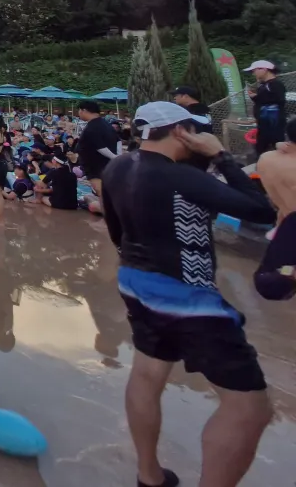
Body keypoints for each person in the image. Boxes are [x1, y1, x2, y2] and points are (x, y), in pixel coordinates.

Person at [102, 102, 277, 487]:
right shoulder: (180, 177)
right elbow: (261, 209)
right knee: (248, 407)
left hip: (135, 283)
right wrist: (221, 154)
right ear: (180, 131)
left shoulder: (117, 166)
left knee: (147, 373)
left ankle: (149, 476)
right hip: (188, 301)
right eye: (194, 132)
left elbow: (116, 232)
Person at [75, 100, 120, 203]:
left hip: (96, 167)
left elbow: (99, 146)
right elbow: (118, 141)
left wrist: (114, 157)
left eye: (79, 110)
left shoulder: (92, 127)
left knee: (102, 193)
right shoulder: (106, 124)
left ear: (84, 110)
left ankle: (109, 216)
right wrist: (117, 156)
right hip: (105, 165)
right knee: (105, 192)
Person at [246, 59, 285, 157]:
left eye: (254, 70)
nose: (253, 73)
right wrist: (256, 98)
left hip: (274, 126)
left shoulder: (275, 84)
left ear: (264, 69)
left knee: (277, 152)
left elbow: (279, 100)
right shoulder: (264, 86)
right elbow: (264, 102)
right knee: (261, 152)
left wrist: (258, 97)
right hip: (264, 126)